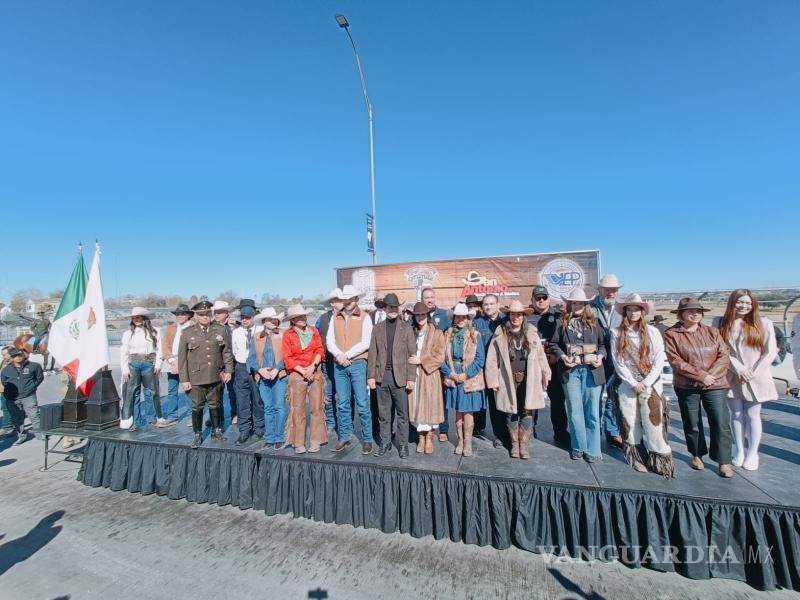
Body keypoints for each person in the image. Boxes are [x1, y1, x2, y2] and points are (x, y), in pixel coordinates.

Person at [664, 297, 733, 478]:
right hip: (687, 385)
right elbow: (676, 361)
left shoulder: (713, 332)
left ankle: (724, 460)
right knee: (692, 422)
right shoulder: (672, 334)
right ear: (681, 314)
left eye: (698, 311)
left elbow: (724, 356)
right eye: (690, 311)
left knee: (720, 422)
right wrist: (701, 376)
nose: (695, 314)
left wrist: (712, 376)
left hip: (715, 384)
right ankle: (696, 454)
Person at [610, 294, 674, 477]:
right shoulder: (616, 333)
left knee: (654, 421)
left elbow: (659, 358)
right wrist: (632, 382)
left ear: (643, 311)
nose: (633, 312)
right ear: (625, 311)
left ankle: (659, 458)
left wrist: (645, 382)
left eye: (637, 309)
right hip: (627, 383)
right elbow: (618, 361)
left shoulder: (653, 332)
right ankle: (637, 457)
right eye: (630, 309)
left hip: (650, 383)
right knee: (630, 420)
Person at [716, 290, 778, 471]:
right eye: (739, 302)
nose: (743, 306)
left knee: (752, 415)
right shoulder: (721, 323)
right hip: (732, 375)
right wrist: (739, 368)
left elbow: (770, 351)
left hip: (756, 377)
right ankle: (739, 450)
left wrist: (753, 372)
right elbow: (722, 350)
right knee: (735, 414)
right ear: (732, 303)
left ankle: (752, 453)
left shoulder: (764, 323)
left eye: (747, 303)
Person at [485, 300, 550, 459]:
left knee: (527, 410)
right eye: (513, 314)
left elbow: (541, 356)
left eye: (519, 315)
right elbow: (492, 359)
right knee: (511, 411)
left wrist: (545, 373)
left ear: (523, 316)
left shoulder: (532, 332)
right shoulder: (501, 333)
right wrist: (493, 380)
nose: (515, 318)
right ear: (509, 316)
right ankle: (514, 444)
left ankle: (524, 444)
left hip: (529, 378)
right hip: (508, 379)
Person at [550, 288, 607, 463]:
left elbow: (604, 345)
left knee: (592, 412)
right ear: (570, 304)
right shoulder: (561, 323)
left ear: (585, 304)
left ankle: (593, 450)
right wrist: (563, 357)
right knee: (575, 410)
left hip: (591, 371)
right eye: (574, 302)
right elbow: (553, 344)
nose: (577, 305)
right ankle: (578, 446)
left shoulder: (595, 323)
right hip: (571, 372)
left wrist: (599, 356)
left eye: (580, 303)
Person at [178, 301, 234, 449]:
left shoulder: (220, 330)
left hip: (215, 375)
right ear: (196, 316)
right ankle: (198, 434)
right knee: (197, 406)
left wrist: (228, 370)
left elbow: (226, 352)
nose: (205, 317)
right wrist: (184, 380)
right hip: (196, 377)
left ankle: (216, 431)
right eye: (202, 315)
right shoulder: (187, 333)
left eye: (207, 314)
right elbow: (182, 359)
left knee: (215, 404)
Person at [326, 284, 375, 454]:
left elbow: (366, 342)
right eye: (344, 298)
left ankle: (367, 439)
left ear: (356, 299)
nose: (346, 301)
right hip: (339, 364)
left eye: (350, 298)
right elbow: (329, 341)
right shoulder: (336, 317)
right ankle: (344, 436)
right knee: (343, 403)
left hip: (358, 364)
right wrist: (340, 355)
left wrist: (346, 355)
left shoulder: (365, 317)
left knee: (362, 403)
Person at [367, 293, 416, 458]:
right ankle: (385, 442)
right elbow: (373, 353)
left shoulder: (407, 327)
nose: (393, 309)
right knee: (384, 414)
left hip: (401, 378)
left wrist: (411, 378)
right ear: (385, 308)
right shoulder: (377, 328)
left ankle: (402, 445)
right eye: (390, 307)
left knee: (402, 414)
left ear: (398, 308)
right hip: (382, 377)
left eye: (395, 307)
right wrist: (371, 376)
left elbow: (412, 354)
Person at [441, 303, 486, 457]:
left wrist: (466, 375)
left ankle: (468, 442)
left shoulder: (475, 334)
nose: (460, 319)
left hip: (469, 376)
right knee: (458, 413)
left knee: (468, 413)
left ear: (468, 318)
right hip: (453, 374)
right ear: (454, 318)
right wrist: (450, 373)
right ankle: (460, 441)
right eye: (458, 317)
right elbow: (442, 358)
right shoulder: (448, 333)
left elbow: (480, 359)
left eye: (463, 317)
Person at [119, 307, 175, 430]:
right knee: (133, 392)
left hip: (149, 364)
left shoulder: (155, 331)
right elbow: (124, 352)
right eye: (134, 318)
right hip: (133, 364)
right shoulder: (128, 334)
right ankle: (135, 421)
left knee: (152, 392)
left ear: (144, 318)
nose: (136, 320)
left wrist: (158, 364)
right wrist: (125, 369)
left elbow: (160, 349)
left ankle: (153, 418)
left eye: (138, 317)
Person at [527, 285, 569, 447]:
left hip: (554, 365)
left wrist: (555, 356)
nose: (541, 301)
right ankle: (531, 429)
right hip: (535, 365)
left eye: (544, 297)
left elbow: (564, 341)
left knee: (557, 400)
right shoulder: (527, 317)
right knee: (532, 398)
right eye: (538, 298)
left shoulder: (559, 316)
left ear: (549, 299)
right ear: (532, 300)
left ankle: (560, 432)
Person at [282, 304, 326, 454]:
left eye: (303, 316)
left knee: (316, 407)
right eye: (298, 317)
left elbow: (320, 349)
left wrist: (313, 366)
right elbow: (287, 358)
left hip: (314, 370)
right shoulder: (288, 335)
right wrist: (303, 371)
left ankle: (316, 440)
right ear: (293, 320)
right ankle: (298, 442)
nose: (302, 319)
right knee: (298, 409)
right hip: (297, 372)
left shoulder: (314, 331)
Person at [589, 274, 624, 448]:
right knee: (594, 398)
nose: (611, 293)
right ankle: (594, 431)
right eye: (608, 289)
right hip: (596, 360)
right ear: (600, 290)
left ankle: (612, 431)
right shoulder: (589, 308)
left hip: (617, 362)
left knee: (612, 398)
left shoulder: (623, 309)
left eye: (614, 290)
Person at [407, 302, 446, 454]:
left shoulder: (436, 332)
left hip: (429, 375)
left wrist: (421, 359)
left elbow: (440, 356)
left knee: (429, 407)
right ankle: (420, 437)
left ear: (427, 315)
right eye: (417, 315)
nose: (420, 317)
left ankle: (429, 437)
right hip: (414, 374)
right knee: (416, 405)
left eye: (423, 314)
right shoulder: (411, 331)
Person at [249, 307, 289, 450]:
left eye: (275, 319)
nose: (273, 321)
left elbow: (287, 355)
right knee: (268, 408)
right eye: (270, 319)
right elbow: (252, 358)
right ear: (264, 321)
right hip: (263, 376)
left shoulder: (284, 334)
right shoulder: (257, 337)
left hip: (279, 375)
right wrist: (260, 370)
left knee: (279, 406)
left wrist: (278, 368)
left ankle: (279, 437)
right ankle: (270, 437)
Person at [473, 293, 508, 448]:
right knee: (480, 400)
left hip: (498, 370)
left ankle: (500, 435)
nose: (488, 307)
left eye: (492, 304)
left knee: (496, 404)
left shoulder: (505, 321)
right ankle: (477, 428)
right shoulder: (477, 322)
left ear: (497, 304)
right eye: (486, 304)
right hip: (480, 369)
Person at [231, 299, 265, 445]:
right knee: (242, 400)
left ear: (254, 317)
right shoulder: (236, 332)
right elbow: (234, 350)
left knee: (257, 400)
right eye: (242, 317)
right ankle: (244, 430)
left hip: (256, 368)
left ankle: (259, 429)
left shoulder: (261, 331)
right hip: (241, 367)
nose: (244, 320)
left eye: (248, 317)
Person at [421, 286, 452, 442]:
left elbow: (449, 338)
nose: (430, 300)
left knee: (442, 398)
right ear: (422, 299)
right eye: (427, 297)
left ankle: (443, 428)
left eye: (432, 297)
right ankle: (426, 429)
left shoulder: (444, 315)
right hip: (424, 365)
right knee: (424, 397)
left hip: (440, 365)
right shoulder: (418, 315)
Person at [1, 347, 44, 444]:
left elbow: (39, 378)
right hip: (12, 399)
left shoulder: (34, 366)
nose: (18, 357)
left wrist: (32, 387)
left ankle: (40, 434)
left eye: (19, 355)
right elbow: (4, 382)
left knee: (34, 416)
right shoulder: (6, 370)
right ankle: (21, 436)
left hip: (28, 396)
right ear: (12, 358)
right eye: (15, 356)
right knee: (17, 419)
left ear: (23, 355)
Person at [316, 288, 343, 434]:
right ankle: (332, 422)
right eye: (337, 300)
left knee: (344, 394)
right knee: (329, 392)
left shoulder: (347, 316)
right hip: (327, 361)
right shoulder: (323, 318)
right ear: (332, 303)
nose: (340, 303)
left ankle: (346, 423)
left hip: (343, 361)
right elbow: (316, 337)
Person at [162, 303, 194, 423]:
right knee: (172, 390)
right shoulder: (171, 328)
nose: (180, 316)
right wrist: (171, 361)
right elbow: (165, 345)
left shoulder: (193, 327)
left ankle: (192, 415)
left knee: (189, 389)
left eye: (182, 314)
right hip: (172, 361)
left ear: (188, 315)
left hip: (187, 362)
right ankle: (172, 416)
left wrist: (180, 363)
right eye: (178, 314)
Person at [213, 300, 238, 426]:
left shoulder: (235, 325)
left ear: (226, 313)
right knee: (216, 394)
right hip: (216, 364)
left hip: (232, 362)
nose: (216, 314)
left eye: (219, 312)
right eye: (215, 312)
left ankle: (235, 414)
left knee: (233, 391)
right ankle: (218, 416)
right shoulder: (211, 326)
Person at [0, 346, 15, 436]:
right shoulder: (4, 361)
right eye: (2, 355)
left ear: (10, 354)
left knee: (9, 408)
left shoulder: (13, 363)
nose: (3, 356)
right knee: (5, 408)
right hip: (2, 389)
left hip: (8, 390)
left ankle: (9, 427)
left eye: (4, 354)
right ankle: (7, 426)